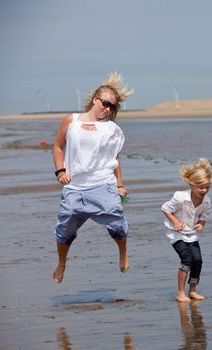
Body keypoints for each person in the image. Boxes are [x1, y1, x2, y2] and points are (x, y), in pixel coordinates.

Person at [52, 72, 134, 283]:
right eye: (105, 103)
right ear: (95, 100)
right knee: (64, 230)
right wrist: (60, 171)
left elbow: (114, 158)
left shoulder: (112, 129)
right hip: (74, 187)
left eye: (112, 107)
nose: (107, 109)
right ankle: (62, 263)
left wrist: (120, 185)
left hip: (102, 185)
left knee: (117, 222)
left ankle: (123, 254)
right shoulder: (71, 120)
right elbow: (58, 146)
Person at [161, 158, 212, 303]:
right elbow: (165, 209)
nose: (204, 190)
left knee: (198, 260)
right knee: (187, 260)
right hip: (176, 233)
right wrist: (176, 221)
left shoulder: (206, 201)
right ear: (192, 185)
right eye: (201, 187)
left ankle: (192, 291)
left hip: (192, 235)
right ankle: (180, 292)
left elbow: (204, 216)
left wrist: (202, 224)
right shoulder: (180, 197)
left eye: (207, 187)